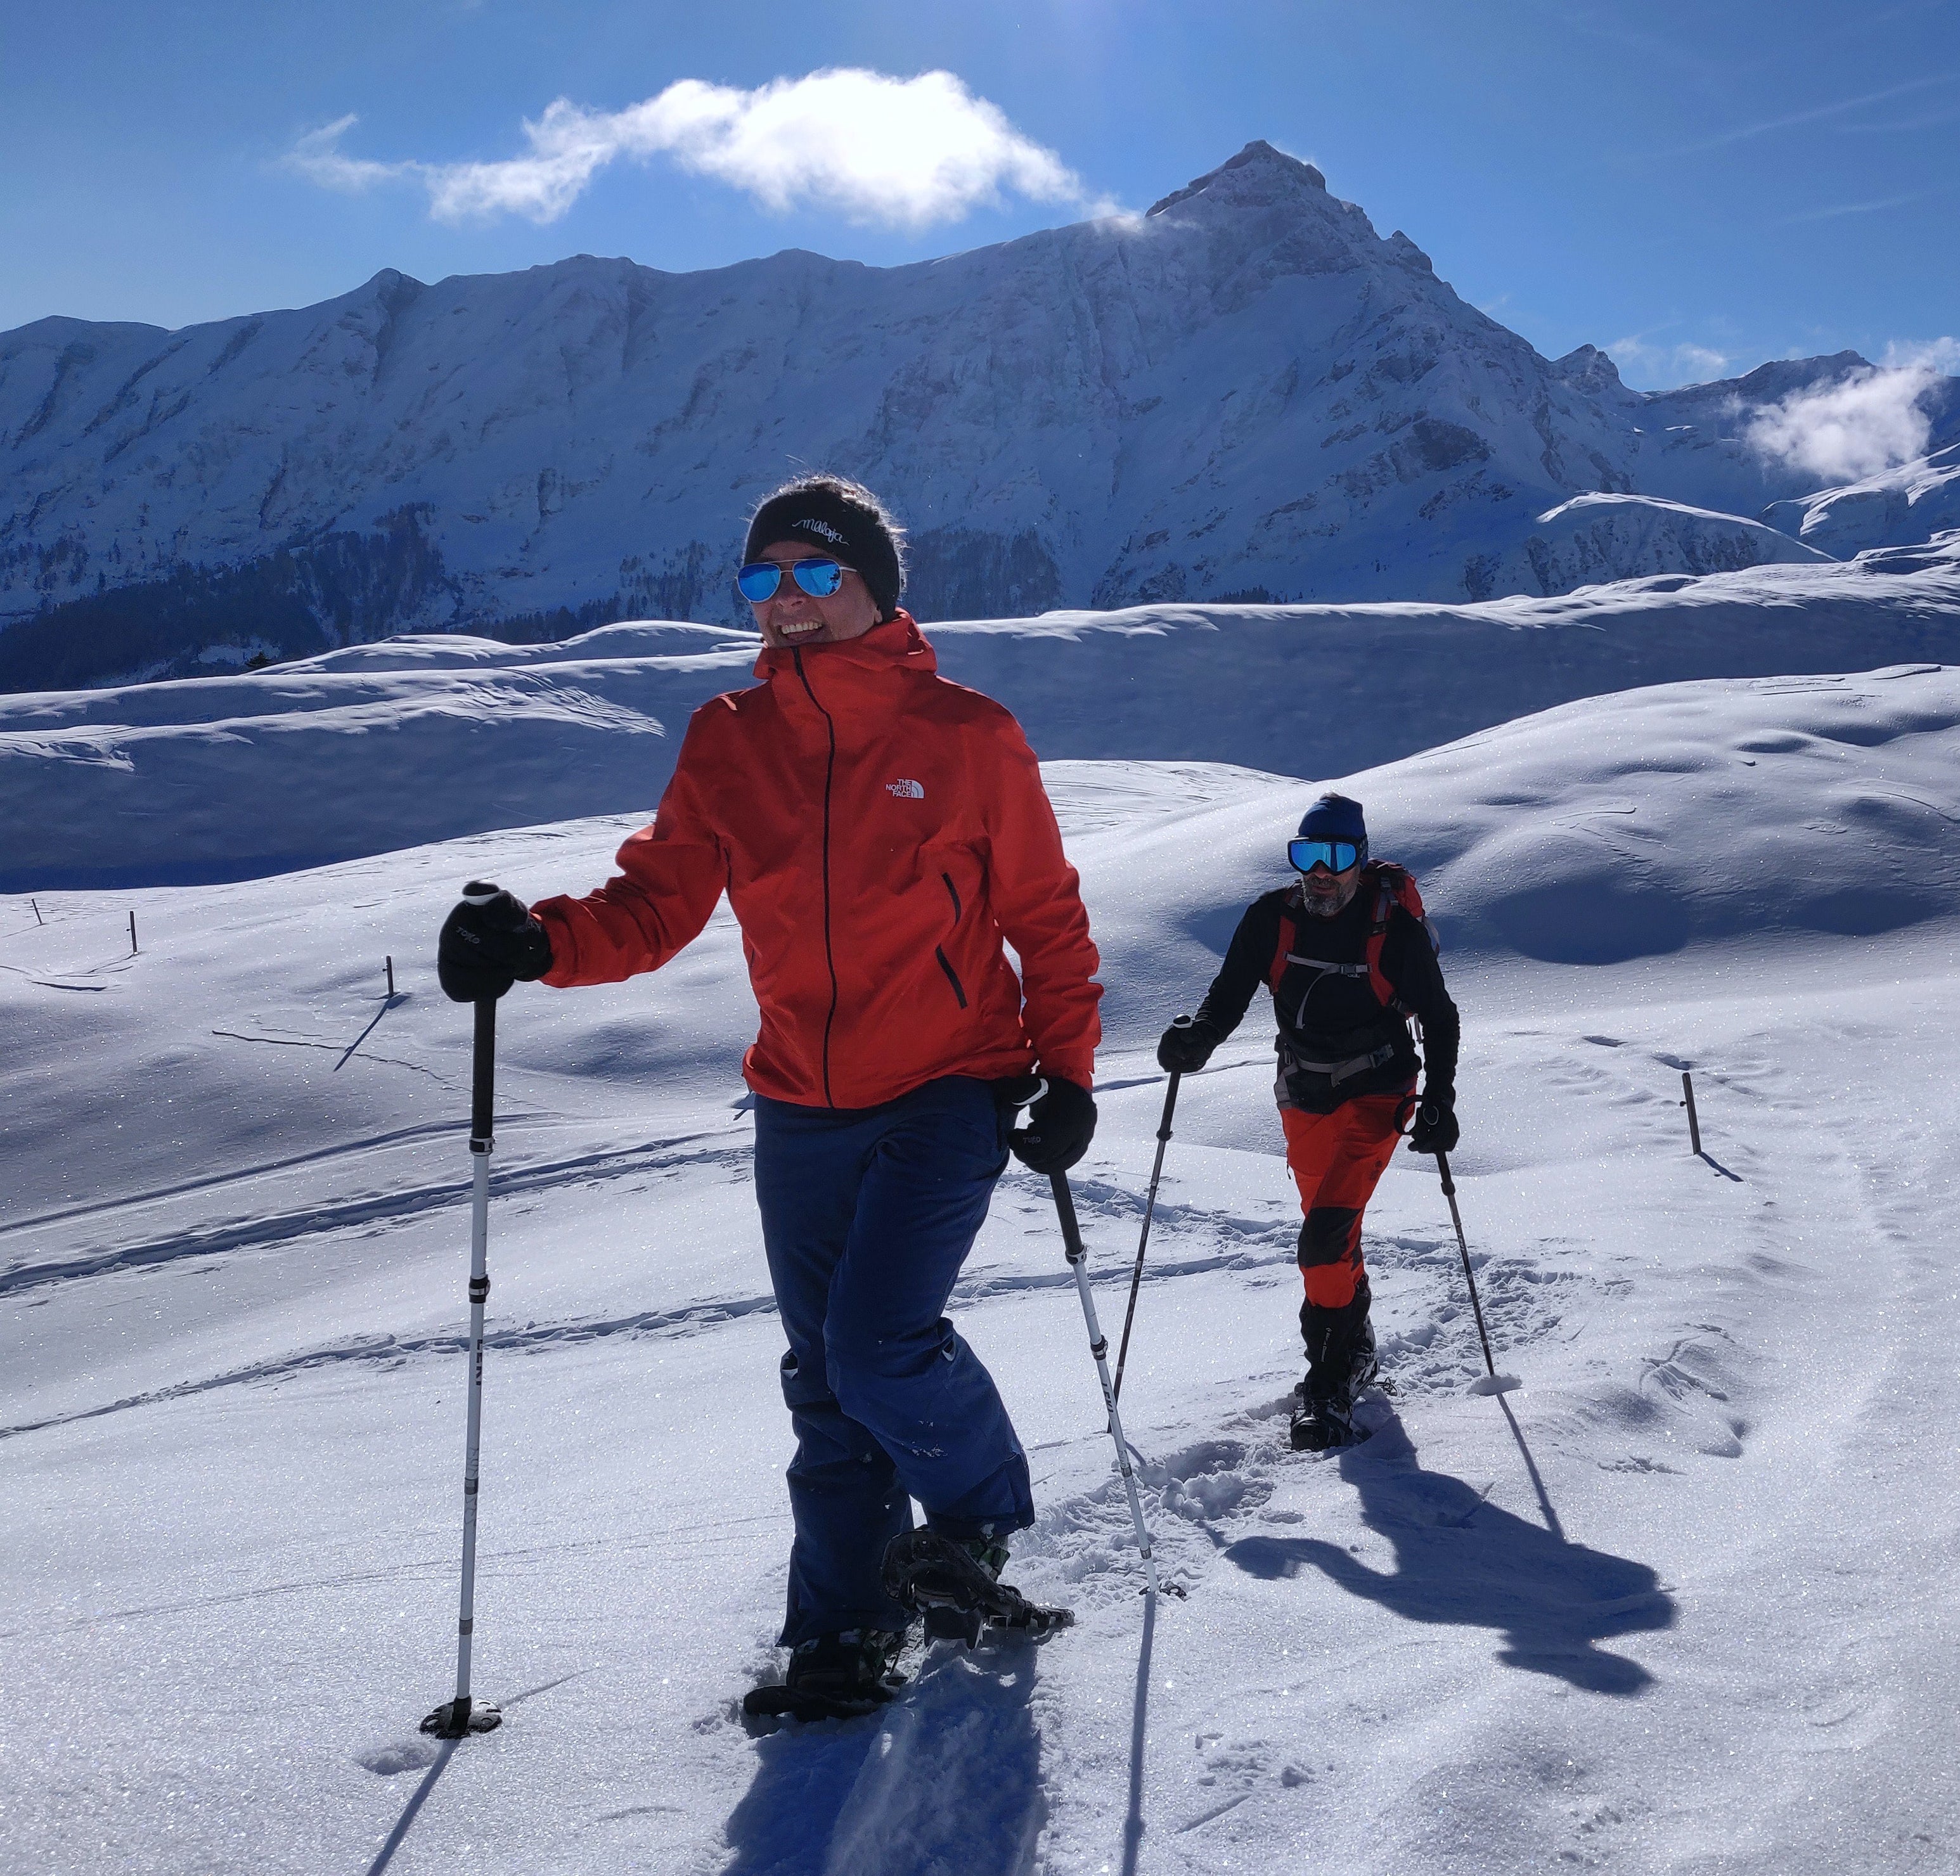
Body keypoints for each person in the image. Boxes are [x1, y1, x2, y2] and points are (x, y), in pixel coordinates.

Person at [435, 474, 1100, 1718]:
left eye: (814, 574)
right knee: (822, 1377)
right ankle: (843, 1630)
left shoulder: (967, 735)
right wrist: (536, 942)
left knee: (876, 1342)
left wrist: (1066, 1072)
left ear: (873, 587)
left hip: (950, 1081)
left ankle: (975, 1516)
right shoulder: (729, 739)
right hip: (799, 1098)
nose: (786, 601)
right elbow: (656, 904)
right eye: (763, 578)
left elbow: (1044, 918)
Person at [1156, 793, 1460, 1450]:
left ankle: (1327, 1385)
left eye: (1337, 855)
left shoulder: (1392, 930)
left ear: (1359, 858)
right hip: (1303, 1092)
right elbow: (1228, 996)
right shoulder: (1273, 918)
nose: (1321, 871)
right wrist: (1198, 1037)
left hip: (1379, 1089)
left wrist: (1441, 1097)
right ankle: (1355, 1342)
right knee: (1332, 1231)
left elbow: (1440, 1016)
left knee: (1323, 1238)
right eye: (1308, 855)